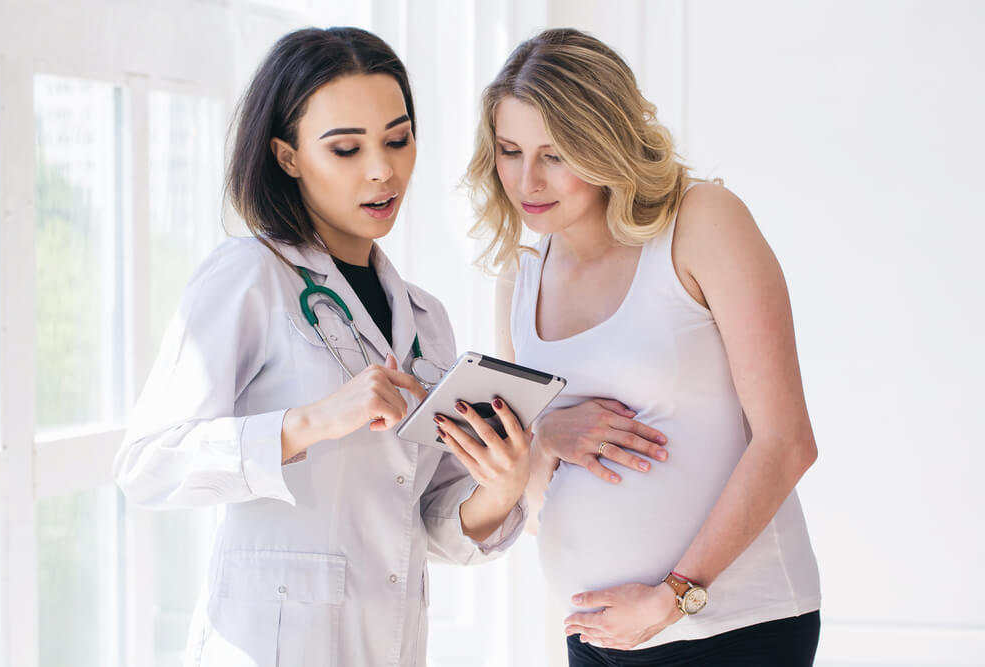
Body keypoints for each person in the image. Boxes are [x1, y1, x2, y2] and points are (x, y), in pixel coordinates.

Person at [113, 27, 529, 667]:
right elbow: (147, 467)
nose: (382, 170)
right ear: (288, 156)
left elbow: (432, 525)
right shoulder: (249, 277)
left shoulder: (424, 317)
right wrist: (313, 422)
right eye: (345, 149)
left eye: (398, 139)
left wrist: (500, 487)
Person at [465, 28, 821, 666]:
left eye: (556, 153)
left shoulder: (702, 222)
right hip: (599, 634)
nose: (527, 180)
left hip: (733, 627)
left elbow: (788, 440)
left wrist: (672, 596)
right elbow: (531, 489)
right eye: (510, 150)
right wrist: (545, 436)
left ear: (604, 141)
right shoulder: (518, 280)